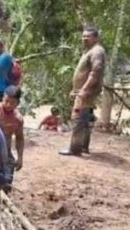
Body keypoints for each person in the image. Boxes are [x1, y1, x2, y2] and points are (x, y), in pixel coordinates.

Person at [59, 26, 106, 156]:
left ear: (96, 38)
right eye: (83, 36)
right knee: (84, 117)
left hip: (87, 91)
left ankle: (75, 148)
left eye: (88, 36)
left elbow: (95, 72)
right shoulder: (89, 51)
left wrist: (84, 89)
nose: (84, 39)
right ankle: (83, 146)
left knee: (78, 117)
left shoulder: (96, 51)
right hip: (83, 90)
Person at [0, 85, 25, 173]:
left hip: (4, 151)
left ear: (17, 103)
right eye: (6, 101)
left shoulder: (17, 119)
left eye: (12, 102)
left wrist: (20, 157)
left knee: (7, 177)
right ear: (3, 98)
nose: (8, 105)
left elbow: (19, 138)